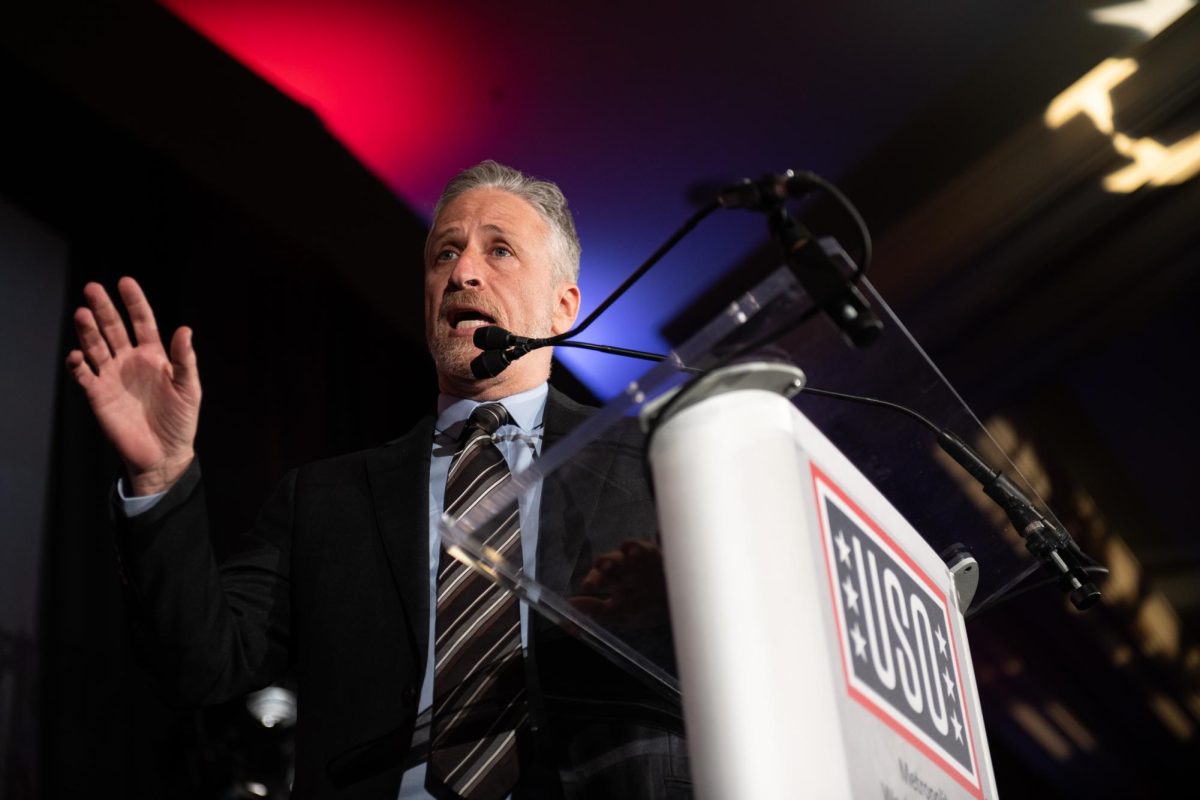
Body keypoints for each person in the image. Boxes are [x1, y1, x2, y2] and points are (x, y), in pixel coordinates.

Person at [66, 161, 689, 799]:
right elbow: (198, 666)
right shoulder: (324, 500)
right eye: (445, 252)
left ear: (563, 307)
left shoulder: (656, 463)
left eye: (498, 249)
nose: (463, 271)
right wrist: (159, 475)